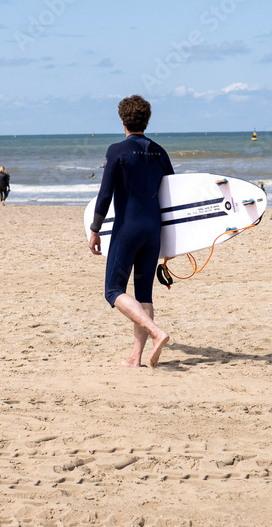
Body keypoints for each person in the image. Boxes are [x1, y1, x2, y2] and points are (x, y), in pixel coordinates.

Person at [88, 95, 173, 369]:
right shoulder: (160, 152)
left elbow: (105, 196)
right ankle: (136, 357)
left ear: (122, 121)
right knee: (144, 294)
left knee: (113, 290)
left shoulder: (117, 151)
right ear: (146, 121)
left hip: (128, 229)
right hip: (154, 230)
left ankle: (156, 331)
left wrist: (95, 229)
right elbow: (174, 197)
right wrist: (172, 244)